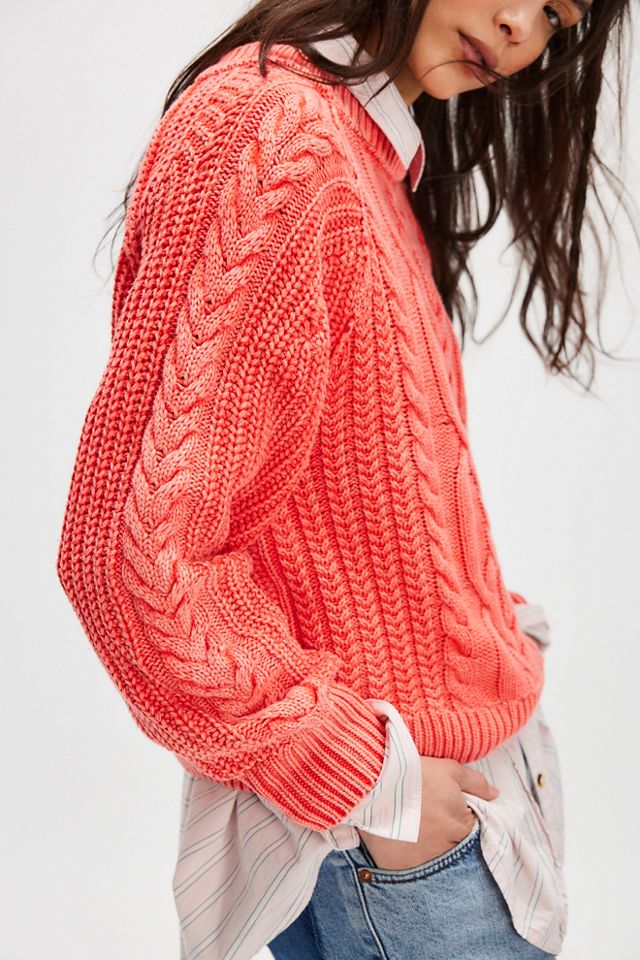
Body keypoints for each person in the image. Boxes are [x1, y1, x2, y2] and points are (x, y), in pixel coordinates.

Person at [56, 1, 636, 958]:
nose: (518, 25)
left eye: (555, 13)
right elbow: (134, 555)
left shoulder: (363, 152)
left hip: (442, 813)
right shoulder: (274, 129)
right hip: (397, 849)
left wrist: (478, 625)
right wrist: (368, 777)